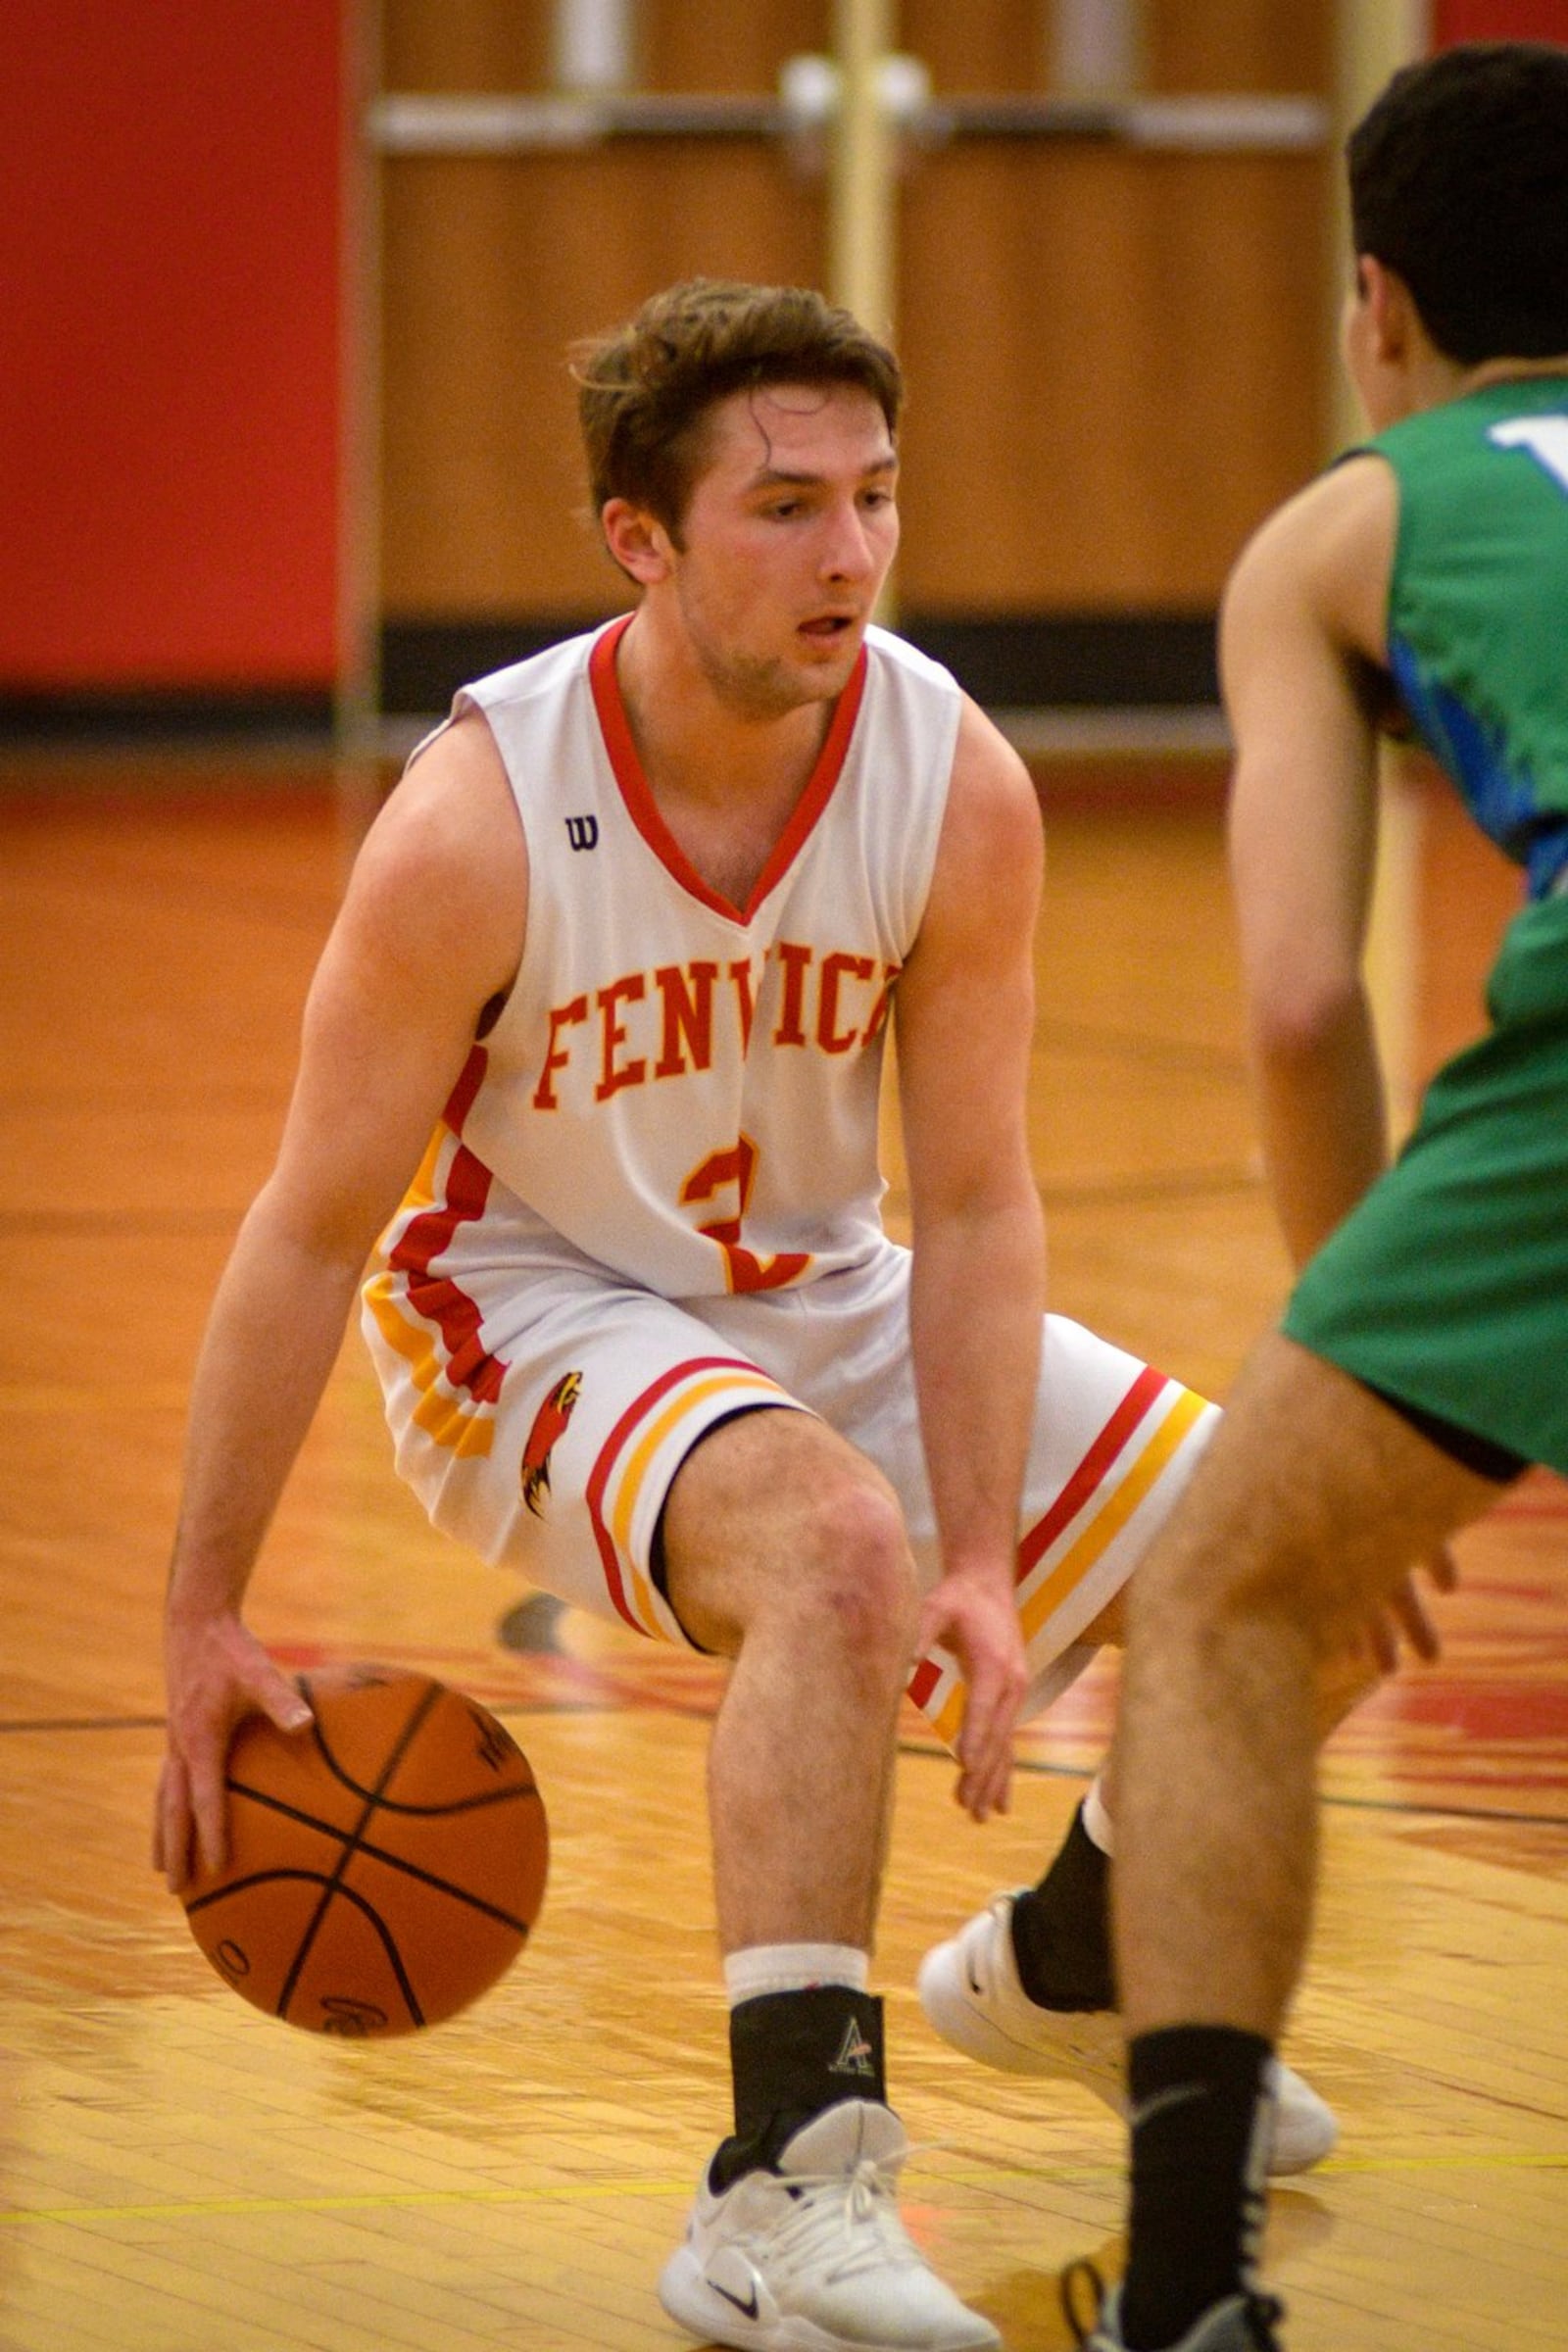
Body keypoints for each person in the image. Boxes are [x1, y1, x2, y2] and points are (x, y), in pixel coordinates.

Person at [155, 276, 1336, 2352]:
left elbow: (969, 1202)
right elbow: (300, 1228)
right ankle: (778, 2190)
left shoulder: (949, 777)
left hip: (822, 1292)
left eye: (876, 497)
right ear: (641, 537)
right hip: (519, 1302)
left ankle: (1076, 1955)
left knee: (1295, 1552)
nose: (852, 553)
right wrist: (200, 1616)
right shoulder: (476, 818)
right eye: (785, 507)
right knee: (828, 1548)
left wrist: (993, 1550)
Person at [1057, 43, 1568, 2352]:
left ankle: (1184, 2301)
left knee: (1228, 1610)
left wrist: (1347, 1339)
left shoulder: (1351, 520)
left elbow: (1290, 995)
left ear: (1377, 303)